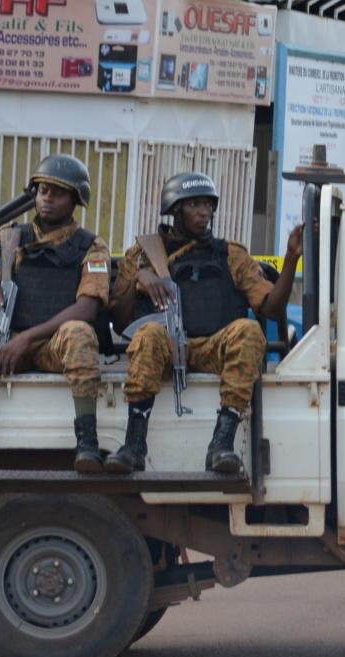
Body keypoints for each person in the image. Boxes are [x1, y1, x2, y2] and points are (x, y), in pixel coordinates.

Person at [107, 171, 303, 475]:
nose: (204, 212)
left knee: (249, 330)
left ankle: (221, 443)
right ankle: (134, 445)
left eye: (208, 205)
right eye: (194, 205)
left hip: (214, 349)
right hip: (168, 349)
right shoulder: (143, 254)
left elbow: (270, 306)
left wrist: (290, 259)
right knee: (146, 335)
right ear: (174, 211)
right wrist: (137, 280)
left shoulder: (231, 255)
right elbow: (119, 321)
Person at [0, 154, 111, 472]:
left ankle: (87, 444)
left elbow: (88, 307)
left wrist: (27, 340)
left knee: (79, 332)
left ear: (76, 199)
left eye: (57, 192)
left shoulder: (92, 246)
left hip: (51, 344)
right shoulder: (7, 238)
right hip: (4, 339)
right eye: (42, 190)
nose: (47, 198)